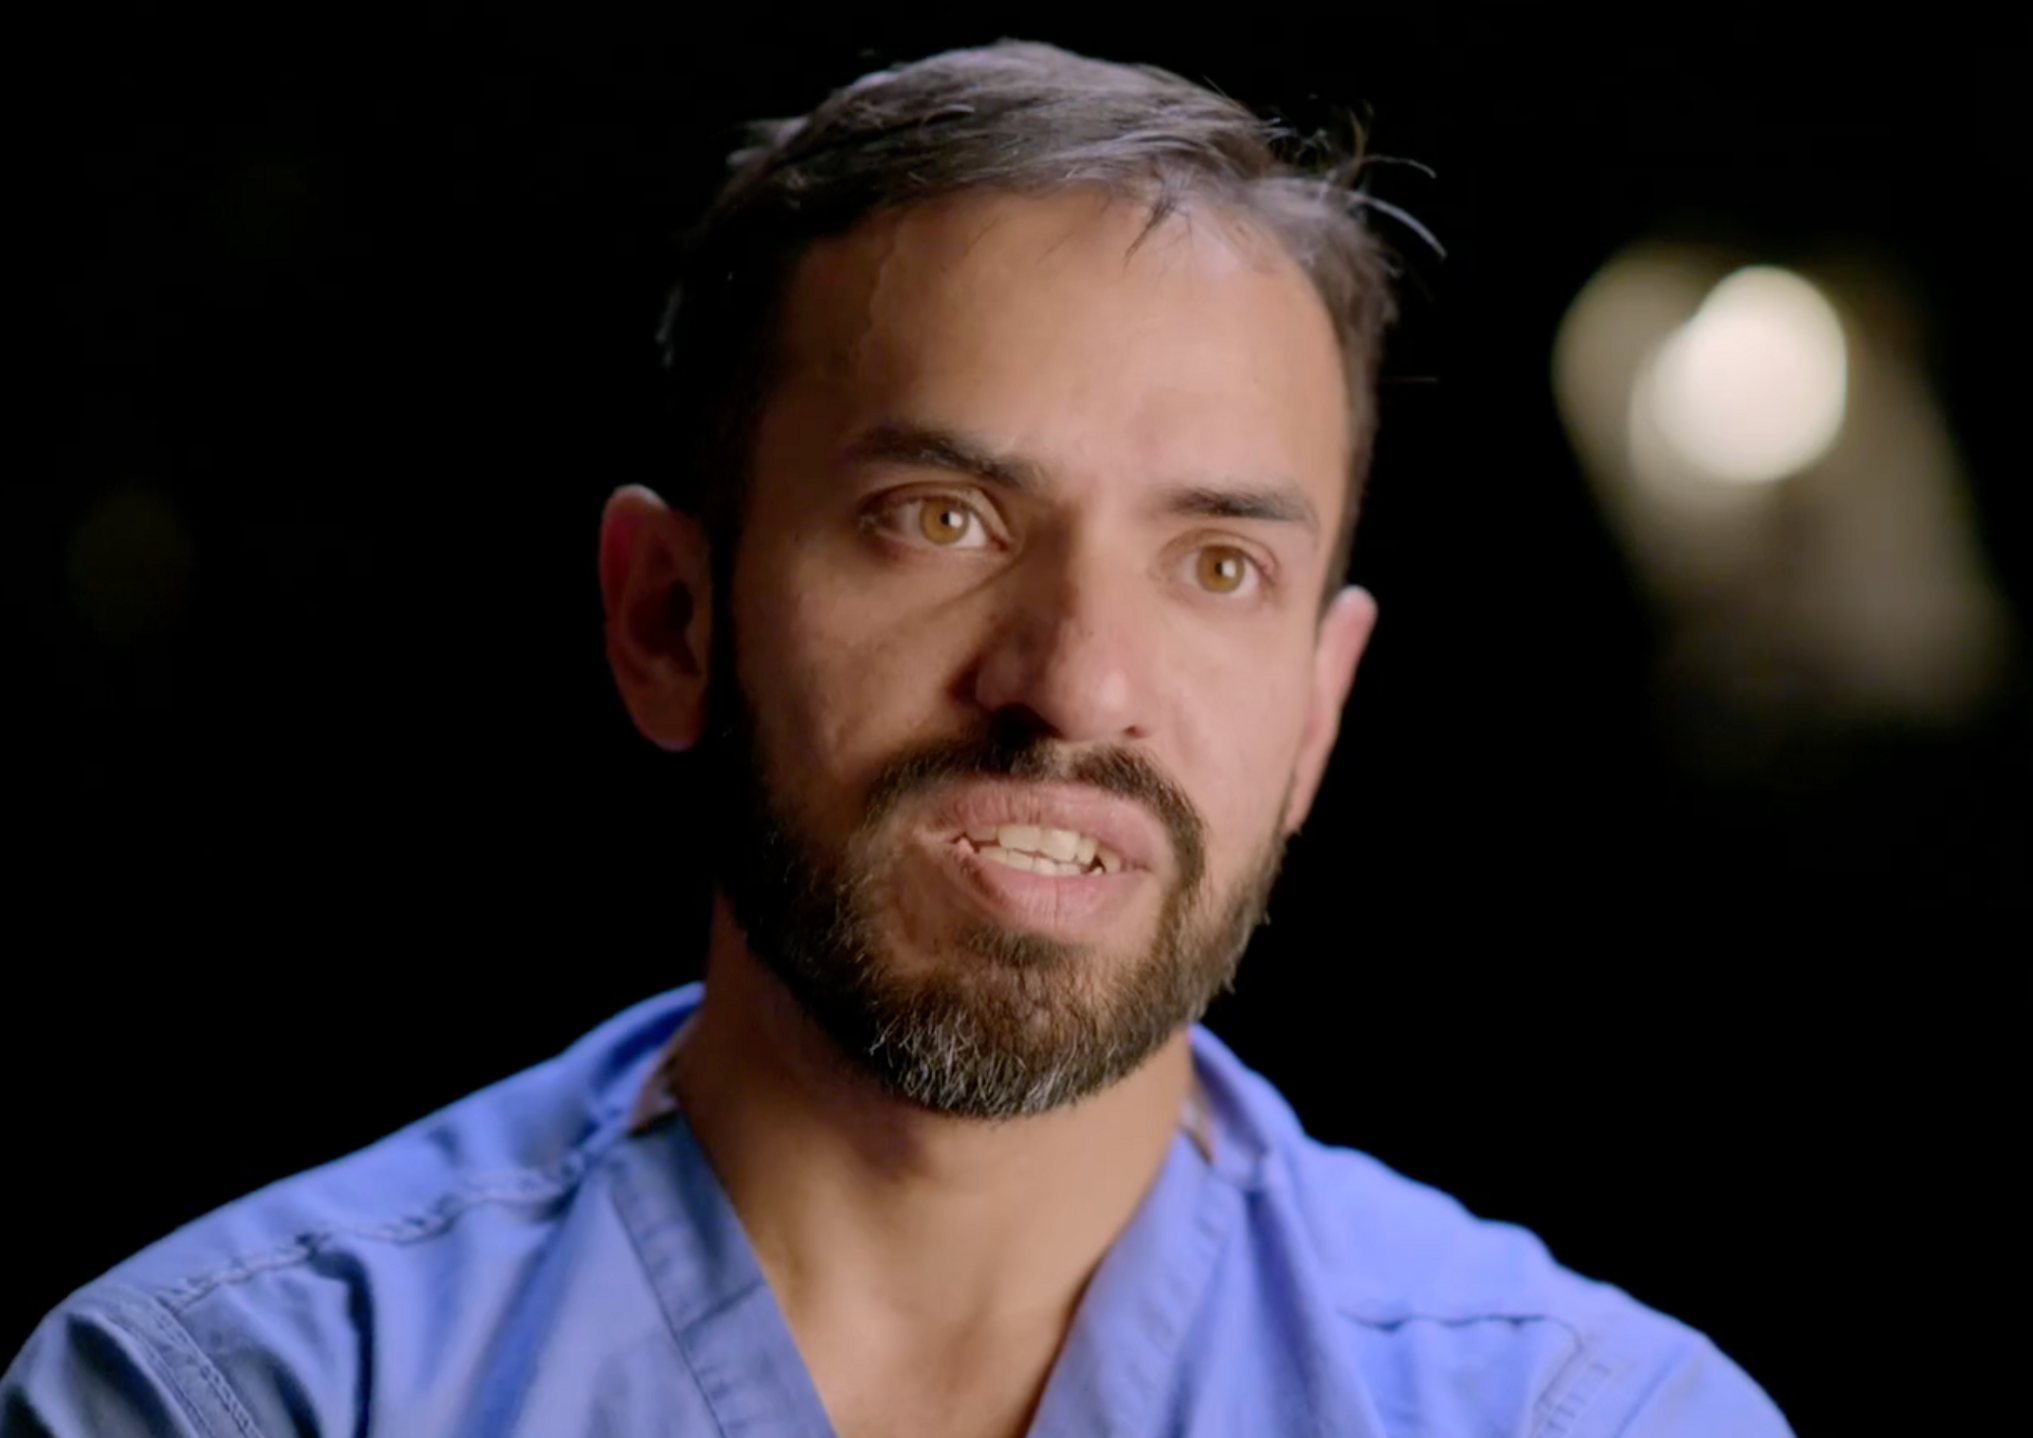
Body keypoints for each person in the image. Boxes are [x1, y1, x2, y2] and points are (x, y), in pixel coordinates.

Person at [4, 41, 1791, 1438]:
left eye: (1219, 563)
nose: (1077, 684)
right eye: (942, 518)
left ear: (1319, 709)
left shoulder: (1584, 1419)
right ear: (668, 620)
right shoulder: (250, 1394)